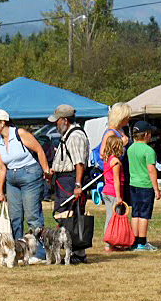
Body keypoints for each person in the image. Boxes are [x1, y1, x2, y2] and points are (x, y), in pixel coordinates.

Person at [0, 109, 50, 241]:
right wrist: (0, 191)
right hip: (11, 178)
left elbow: (39, 150)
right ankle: (18, 248)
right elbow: (1, 167)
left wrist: (46, 171)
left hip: (30, 174)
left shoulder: (19, 133)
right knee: (14, 216)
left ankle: (39, 250)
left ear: (3, 122)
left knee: (32, 215)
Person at [49, 104, 90, 263]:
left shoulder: (75, 136)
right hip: (63, 180)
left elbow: (79, 163)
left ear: (65, 120)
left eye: (57, 121)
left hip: (70, 180)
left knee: (71, 217)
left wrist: (78, 185)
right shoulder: (68, 135)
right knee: (64, 216)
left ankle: (77, 253)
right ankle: (71, 252)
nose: (55, 124)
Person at [97, 103, 132, 241]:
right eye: (126, 117)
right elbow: (102, 153)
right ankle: (110, 240)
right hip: (113, 179)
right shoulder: (110, 133)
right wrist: (121, 145)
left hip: (120, 176)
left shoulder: (120, 130)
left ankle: (118, 239)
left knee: (118, 212)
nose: (128, 120)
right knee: (112, 214)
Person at [126, 121, 161, 251]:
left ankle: (134, 241)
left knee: (135, 213)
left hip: (133, 184)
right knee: (144, 214)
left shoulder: (131, 148)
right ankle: (142, 241)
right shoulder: (148, 150)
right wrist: (156, 188)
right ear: (146, 134)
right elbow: (151, 170)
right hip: (145, 185)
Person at [100, 133, 127, 252]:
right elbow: (116, 179)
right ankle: (109, 243)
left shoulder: (107, 159)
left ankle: (112, 242)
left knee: (110, 216)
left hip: (107, 190)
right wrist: (118, 196)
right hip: (112, 192)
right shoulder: (115, 161)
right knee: (112, 218)